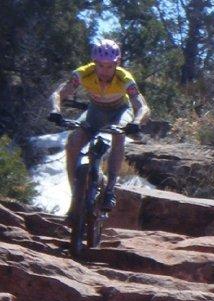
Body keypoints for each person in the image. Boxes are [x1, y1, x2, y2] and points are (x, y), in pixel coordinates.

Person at [49, 39, 150, 217]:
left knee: (119, 132)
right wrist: (55, 110)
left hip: (120, 110)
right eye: (100, 66)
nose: (104, 71)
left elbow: (142, 106)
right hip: (95, 111)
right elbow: (59, 93)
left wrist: (136, 122)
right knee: (72, 144)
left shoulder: (125, 78)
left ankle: (110, 189)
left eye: (109, 66)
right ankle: (76, 197)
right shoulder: (83, 73)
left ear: (117, 64)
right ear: (94, 62)